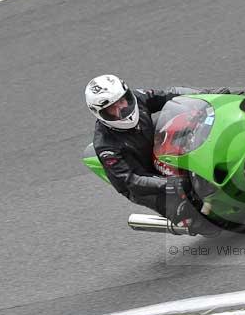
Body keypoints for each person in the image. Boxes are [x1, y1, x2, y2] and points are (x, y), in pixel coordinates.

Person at [85, 74, 227, 234]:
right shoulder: (105, 145)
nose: (122, 109)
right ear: (99, 113)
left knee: (189, 119)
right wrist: (168, 184)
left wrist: (209, 94)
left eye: (123, 101)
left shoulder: (137, 98)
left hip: (155, 146)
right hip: (143, 180)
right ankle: (189, 221)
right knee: (201, 221)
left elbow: (169, 94)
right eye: (112, 109)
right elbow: (130, 180)